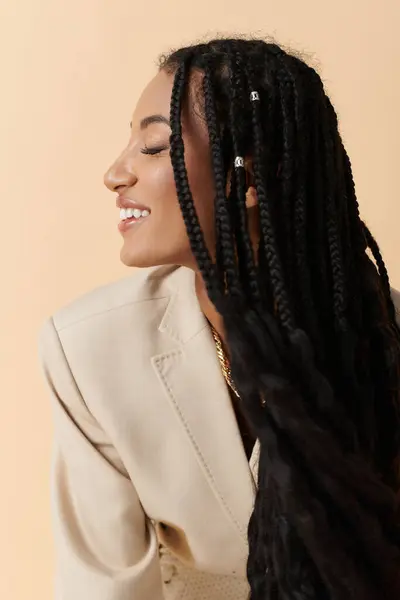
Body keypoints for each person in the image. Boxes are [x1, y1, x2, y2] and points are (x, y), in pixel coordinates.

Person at [38, 37, 400, 600]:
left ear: (250, 177)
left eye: (154, 146)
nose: (115, 173)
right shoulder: (89, 351)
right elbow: (100, 587)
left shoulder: (388, 338)